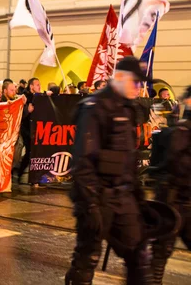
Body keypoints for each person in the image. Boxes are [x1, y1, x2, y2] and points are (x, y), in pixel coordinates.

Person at [65, 56, 152, 284]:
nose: (138, 87)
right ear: (120, 77)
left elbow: (128, 158)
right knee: (87, 257)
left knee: (139, 252)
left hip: (122, 196)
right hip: (98, 197)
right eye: (135, 82)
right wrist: (91, 204)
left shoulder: (128, 108)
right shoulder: (94, 108)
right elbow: (83, 161)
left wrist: (138, 196)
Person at [150, 85, 191, 284]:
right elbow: (173, 163)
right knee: (160, 252)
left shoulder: (178, 130)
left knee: (160, 252)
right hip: (173, 200)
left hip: (179, 198)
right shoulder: (180, 130)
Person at [15, 78, 41, 183]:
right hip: (25, 128)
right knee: (29, 151)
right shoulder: (25, 97)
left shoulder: (37, 97)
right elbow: (21, 114)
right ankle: (19, 172)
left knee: (31, 152)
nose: (39, 87)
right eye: (37, 85)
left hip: (33, 128)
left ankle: (21, 173)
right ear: (31, 86)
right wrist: (28, 110)